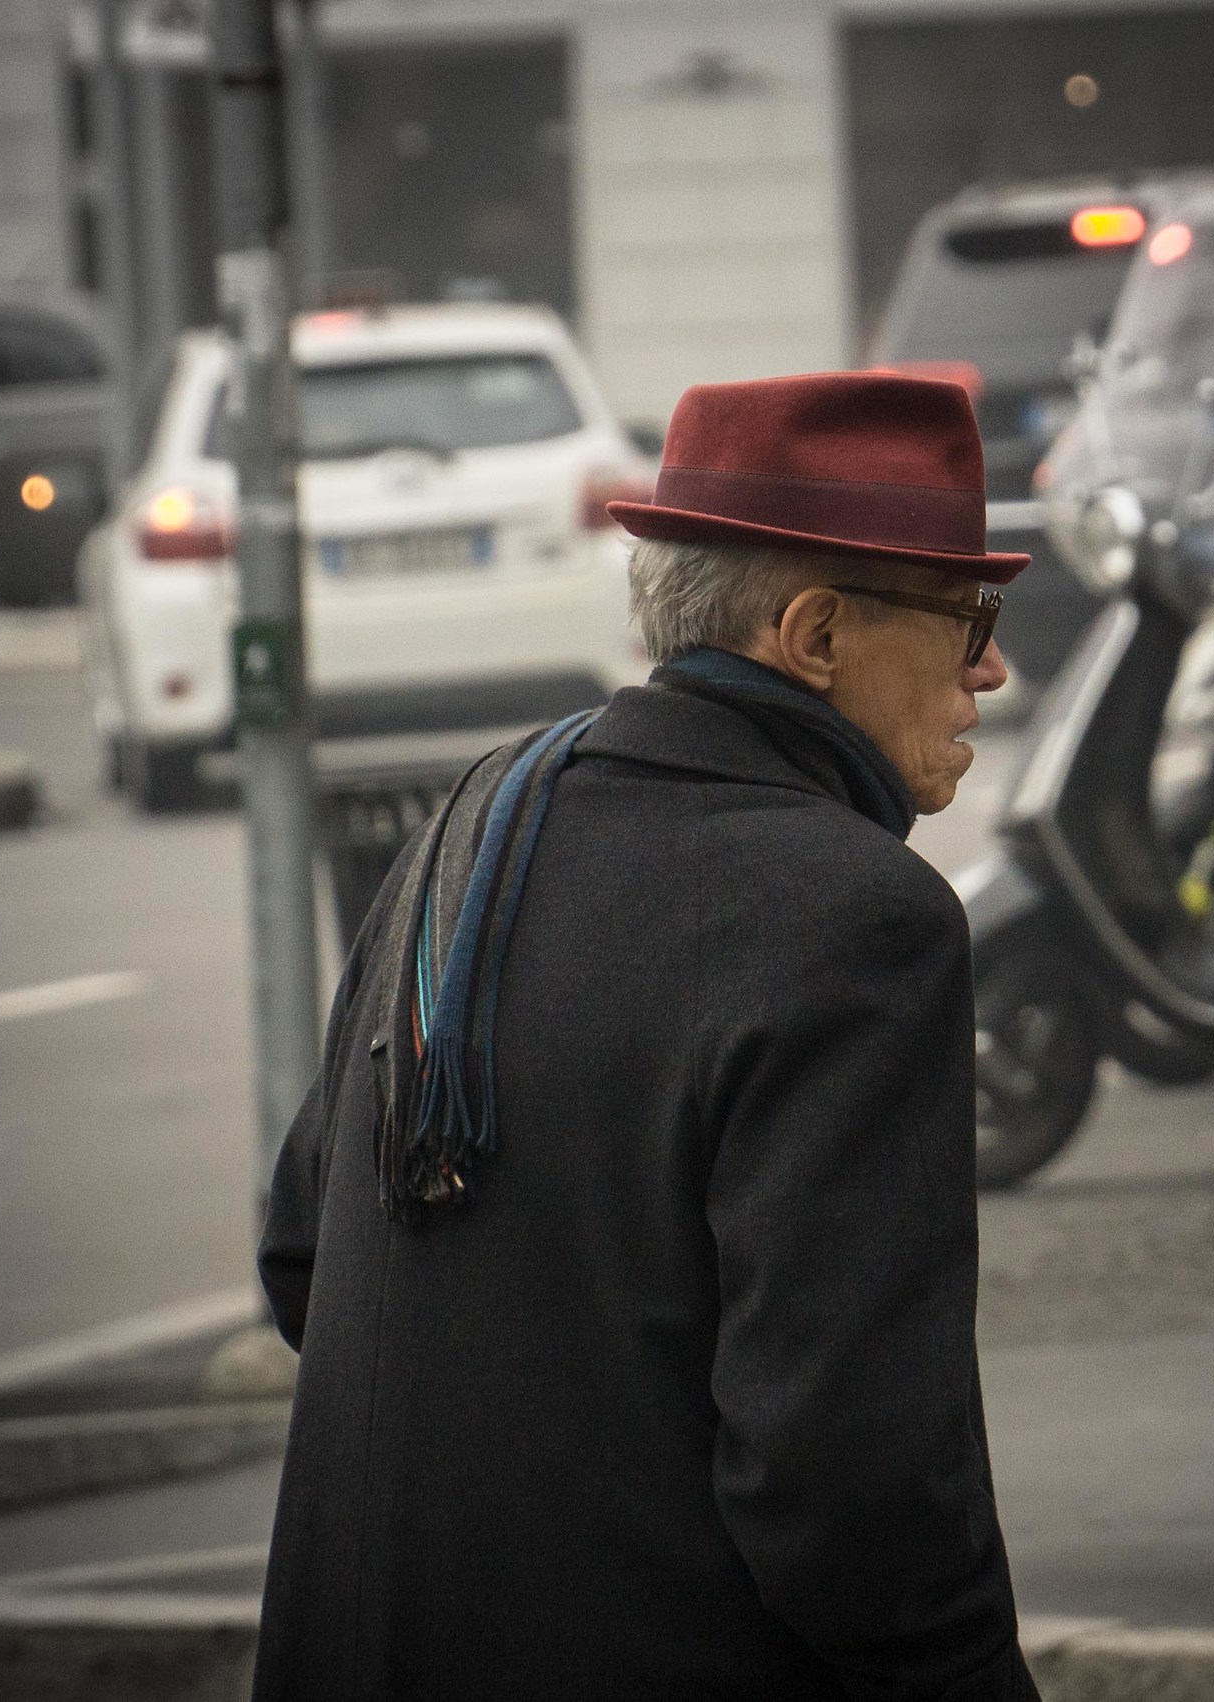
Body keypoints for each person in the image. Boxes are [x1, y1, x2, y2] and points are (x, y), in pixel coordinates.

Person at [254, 371, 1036, 1701]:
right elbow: (855, 1490)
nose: (991, 667)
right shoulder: (859, 919)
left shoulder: (473, 826)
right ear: (814, 633)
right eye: (967, 617)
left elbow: (302, 1262)